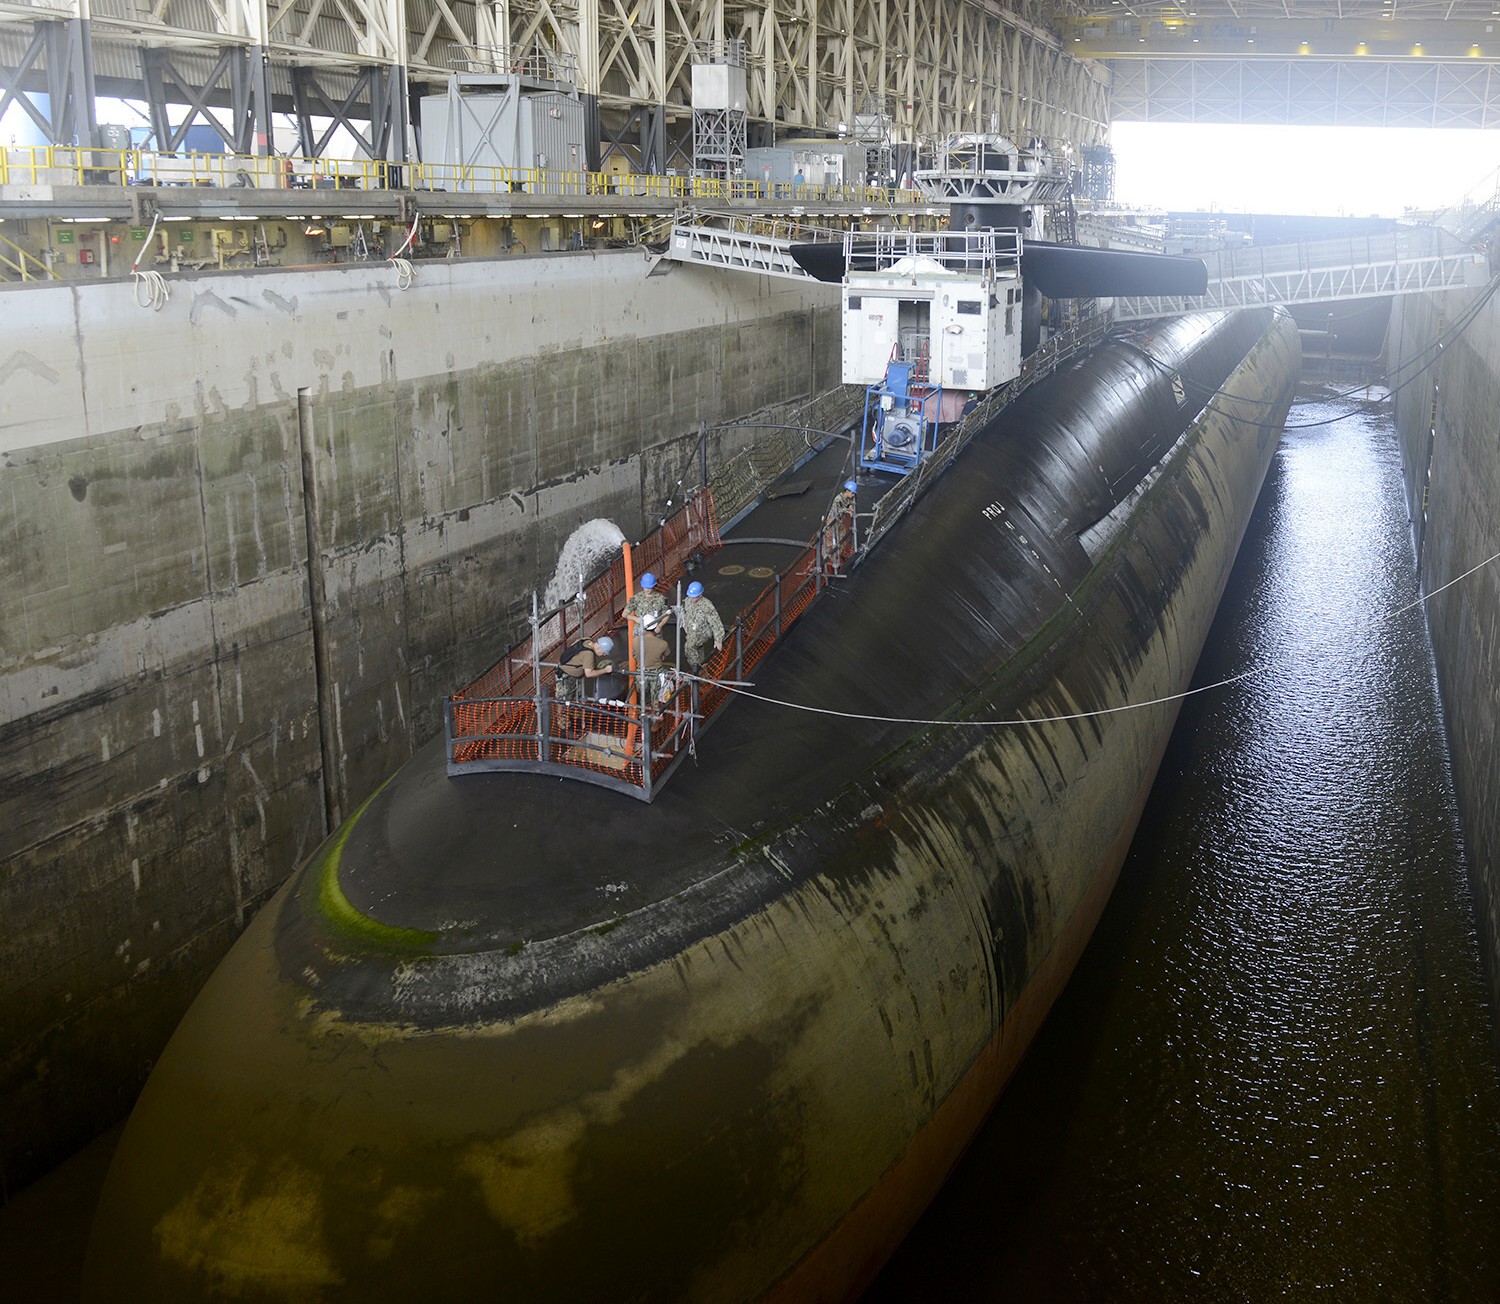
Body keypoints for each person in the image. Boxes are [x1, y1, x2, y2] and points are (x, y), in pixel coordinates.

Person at [679, 580, 725, 671]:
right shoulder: (687, 601)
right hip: (691, 631)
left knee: (689, 646)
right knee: (698, 650)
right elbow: (682, 612)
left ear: (700, 595)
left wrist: (718, 640)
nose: (691, 598)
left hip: (703, 632)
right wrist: (684, 624)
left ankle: (696, 668)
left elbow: (716, 623)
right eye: (690, 596)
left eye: (694, 597)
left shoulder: (707, 605)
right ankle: (702, 669)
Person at [553, 635, 615, 702]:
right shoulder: (589, 654)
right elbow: (589, 674)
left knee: (575, 699)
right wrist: (605, 670)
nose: (604, 655)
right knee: (563, 701)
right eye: (604, 653)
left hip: (571, 674)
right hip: (566, 676)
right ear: (599, 648)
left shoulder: (586, 640)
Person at [637, 612, 674, 706]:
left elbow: (635, 655)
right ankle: (656, 711)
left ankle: (642, 710)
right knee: (656, 698)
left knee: (642, 697)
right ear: (655, 626)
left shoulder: (635, 641)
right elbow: (666, 655)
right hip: (656, 673)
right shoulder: (663, 644)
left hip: (641, 673)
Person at [824, 479, 858, 559]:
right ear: (847, 491)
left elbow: (849, 502)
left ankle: (838, 553)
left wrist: (850, 505)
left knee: (842, 536)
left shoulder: (847, 497)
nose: (853, 495)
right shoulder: (838, 499)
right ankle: (827, 556)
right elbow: (838, 509)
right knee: (830, 539)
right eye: (852, 493)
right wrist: (848, 510)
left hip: (839, 520)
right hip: (832, 521)